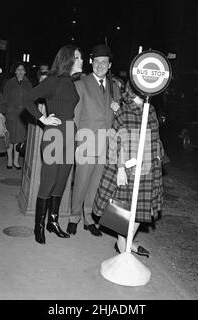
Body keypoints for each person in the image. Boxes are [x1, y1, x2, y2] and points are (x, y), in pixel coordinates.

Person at [92, 81, 164, 257]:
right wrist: (121, 168)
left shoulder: (151, 110)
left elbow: (156, 135)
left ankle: (126, 242)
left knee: (141, 210)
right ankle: (123, 244)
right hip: (128, 166)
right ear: (133, 90)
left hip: (147, 166)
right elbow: (116, 140)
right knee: (123, 209)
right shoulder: (124, 111)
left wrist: (159, 153)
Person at [23, 45, 83, 244]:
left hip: (69, 133)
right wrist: (43, 118)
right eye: (78, 57)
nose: (82, 60)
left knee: (62, 180)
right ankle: (38, 226)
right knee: (48, 181)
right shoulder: (53, 80)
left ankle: (53, 222)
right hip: (54, 134)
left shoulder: (71, 81)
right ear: (68, 60)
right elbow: (27, 98)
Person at [66, 44, 121, 237]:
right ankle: (74, 217)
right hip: (86, 143)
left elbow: (117, 117)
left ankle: (88, 218)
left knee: (95, 184)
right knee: (80, 182)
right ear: (91, 63)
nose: (100, 65)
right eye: (97, 62)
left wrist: (117, 109)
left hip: (105, 145)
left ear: (109, 64)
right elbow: (75, 117)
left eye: (104, 62)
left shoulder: (115, 88)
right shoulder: (81, 85)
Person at [3, 62, 32, 169]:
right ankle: (9, 160)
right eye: (18, 70)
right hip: (11, 115)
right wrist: (4, 112)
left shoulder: (28, 84)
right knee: (10, 138)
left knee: (19, 139)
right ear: (15, 71)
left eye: (22, 70)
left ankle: (16, 160)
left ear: (25, 72)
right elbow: (4, 99)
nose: (20, 72)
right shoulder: (9, 83)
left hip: (22, 116)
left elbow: (30, 99)